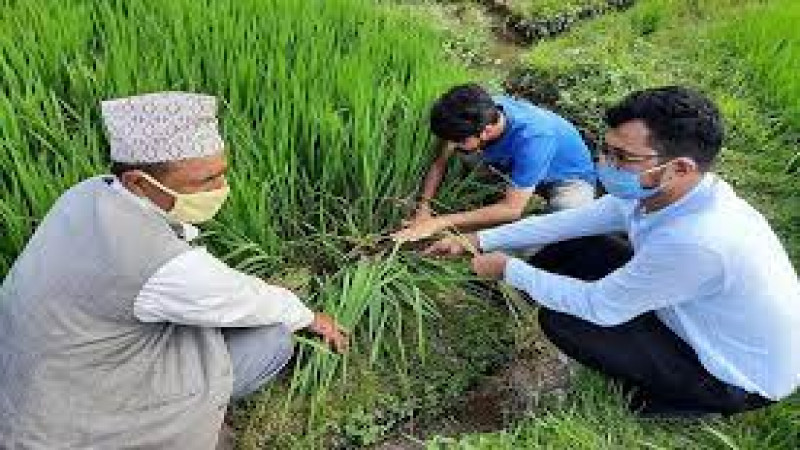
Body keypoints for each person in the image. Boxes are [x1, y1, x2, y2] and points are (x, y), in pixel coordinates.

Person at [425, 86, 800, 416]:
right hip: (700, 312)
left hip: (736, 377)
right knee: (570, 246)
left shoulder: (698, 240)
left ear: (679, 167)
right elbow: (567, 223)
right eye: (606, 150)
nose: (604, 164)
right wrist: (477, 240)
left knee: (563, 321)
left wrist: (509, 269)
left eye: (622, 157)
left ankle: (679, 402)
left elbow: (600, 307)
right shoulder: (667, 191)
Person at [0, 92, 347, 448]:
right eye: (204, 181)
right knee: (272, 338)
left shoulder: (86, 194)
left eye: (221, 174)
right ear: (138, 182)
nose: (221, 189)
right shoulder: (161, 264)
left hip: (24, 391)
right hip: (72, 425)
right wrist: (309, 317)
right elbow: (247, 301)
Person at [393, 83, 596, 242]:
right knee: (467, 157)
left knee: (564, 219)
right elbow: (439, 162)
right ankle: (501, 198)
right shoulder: (474, 114)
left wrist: (438, 223)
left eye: (458, 140)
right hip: (515, 165)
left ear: (486, 131)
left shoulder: (534, 138)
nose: (452, 144)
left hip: (569, 179)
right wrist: (424, 207)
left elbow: (511, 210)